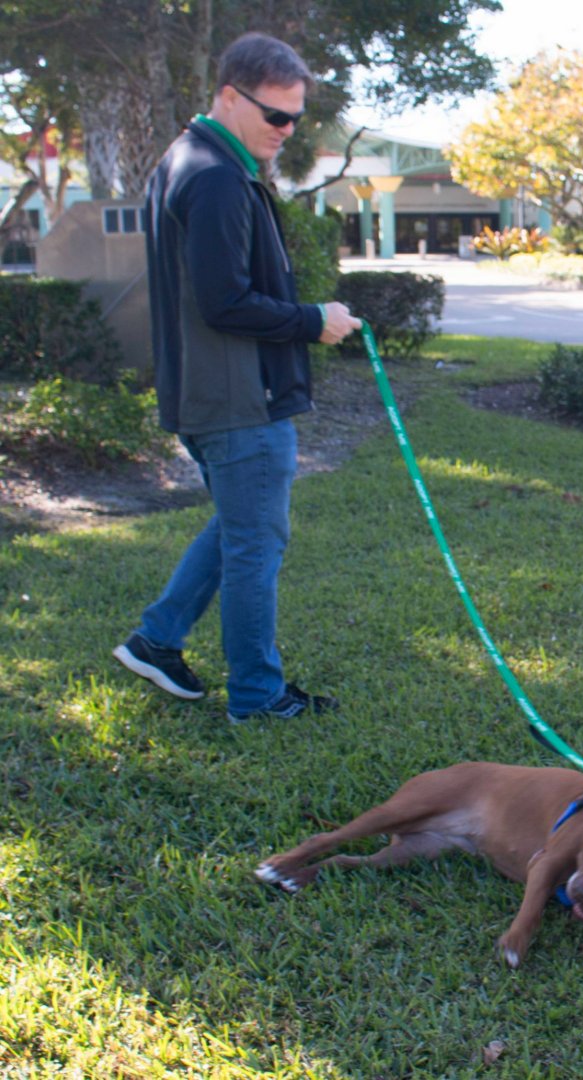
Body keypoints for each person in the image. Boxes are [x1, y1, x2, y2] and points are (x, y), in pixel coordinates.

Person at [113, 31, 361, 723]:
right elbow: (225, 303)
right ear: (228, 96)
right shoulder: (218, 175)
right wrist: (313, 320)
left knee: (239, 527)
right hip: (237, 399)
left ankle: (156, 639)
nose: (285, 130)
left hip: (214, 393)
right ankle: (257, 695)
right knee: (256, 543)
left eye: (294, 117)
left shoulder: (191, 159)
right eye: (274, 115)